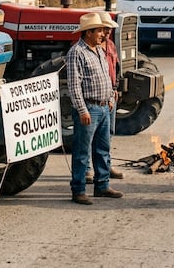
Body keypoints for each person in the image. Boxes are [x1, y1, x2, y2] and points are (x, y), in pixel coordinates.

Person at [67, 12, 123, 205]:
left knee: (103, 149)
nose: (103, 34)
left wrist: (109, 98)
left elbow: (106, 77)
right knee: (82, 152)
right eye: (99, 30)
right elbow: (74, 86)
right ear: (88, 32)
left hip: (103, 107)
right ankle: (79, 190)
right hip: (89, 108)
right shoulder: (77, 52)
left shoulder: (98, 50)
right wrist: (82, 110)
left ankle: (102, 186)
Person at [85, 11, 124, 184]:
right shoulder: (89, 48)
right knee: (88, 137)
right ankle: (86, 169)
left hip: (109, 96)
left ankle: (105, 167)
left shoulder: (111, 46)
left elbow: (114, 69)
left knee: (107, 133)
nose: (106, 32)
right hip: (93, 99)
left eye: (108, 29)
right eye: (104, 29)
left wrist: (115, 88)